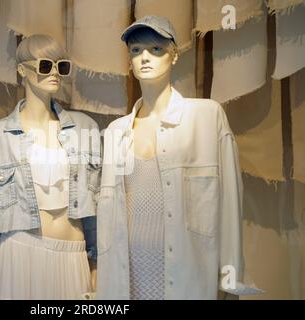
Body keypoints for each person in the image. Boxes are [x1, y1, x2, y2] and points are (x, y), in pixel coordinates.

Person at [96, 15, 261, 300]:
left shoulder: (206, 117)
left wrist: (229, 283)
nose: (144, 57)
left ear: (174, 55)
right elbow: (109, 225)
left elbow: (230, 204)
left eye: (156, 49)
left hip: (187, 281)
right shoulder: (115, 133)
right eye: (136, 50)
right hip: (125, 283)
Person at [0, 34, 101, 300]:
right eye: (46, 65)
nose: (55, 73)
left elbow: (100, 208)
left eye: (61, 66)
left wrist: (97, 267)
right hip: (19, 255)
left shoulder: (85, 129)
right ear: (22, 70)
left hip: (73, 256)